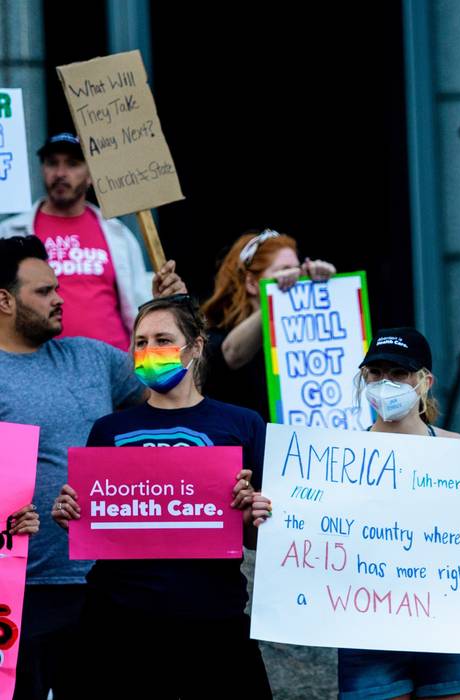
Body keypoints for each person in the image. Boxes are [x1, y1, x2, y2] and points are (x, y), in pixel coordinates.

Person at [251, 327, 460, 700]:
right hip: (367, 634)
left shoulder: (459, 450)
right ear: (364, 379)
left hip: (451, 630)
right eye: (376, 373)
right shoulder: (332, 460)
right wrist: (274, 513)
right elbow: (307, 529)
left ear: (425, 381)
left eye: (399, 374)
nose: (386, 383)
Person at [50, 294, 268, 697]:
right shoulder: (107, 430)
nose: (149, 351)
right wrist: (71, 515)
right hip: (118, 631)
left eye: (163, 339)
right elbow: (97, 528)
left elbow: (259, 538)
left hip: (214, 626)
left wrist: (250, 511)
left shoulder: (244, 424)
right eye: (141, 342)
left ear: (196, 346)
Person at [0, 234, 148, 699]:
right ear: (4, 300)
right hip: (16, 593)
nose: (59, 299)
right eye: (43, 292)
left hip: (103, 585)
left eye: (57, 288)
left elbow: (175, 388)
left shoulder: (94, 359)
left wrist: (172, 312)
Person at [0, 132, 186, 350]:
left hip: (114, 368)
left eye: (72, 164)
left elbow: (141, 300)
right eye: (52, 163)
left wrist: (166, 298)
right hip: (40, 370)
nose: (60, 173)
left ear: (90, 175)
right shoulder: (12, 232)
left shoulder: (117, 233)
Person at [201, 229, 335, 419]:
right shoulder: (214, 337)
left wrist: (330, 284)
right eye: (284, 271)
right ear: (252, 284)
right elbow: (231, 354)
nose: (295, 278)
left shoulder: (302, 340)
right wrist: (276, 298)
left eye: (297, 270)